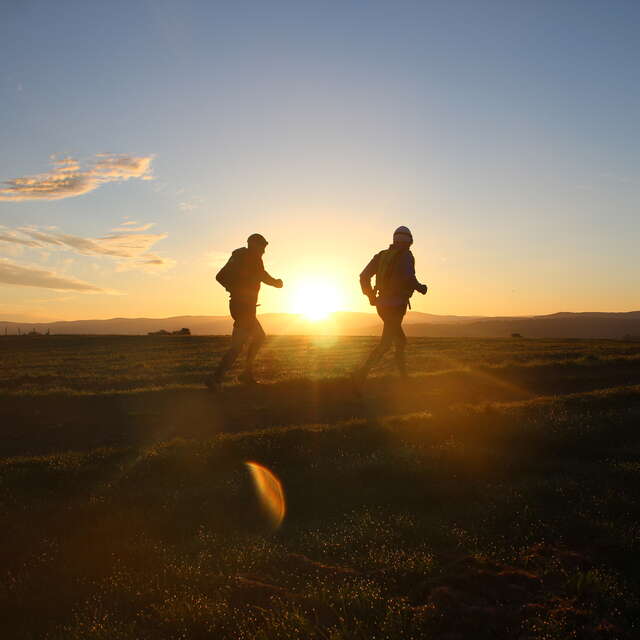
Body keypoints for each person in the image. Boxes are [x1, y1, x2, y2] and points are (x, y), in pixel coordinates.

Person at [207, 233, 283, 389]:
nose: (264, 250)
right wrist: (276, 283)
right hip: (243, 308)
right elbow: (262, 275)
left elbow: (221, 276)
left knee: (254, 339)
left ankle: (241, 374)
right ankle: (217, 379)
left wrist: (234, 289)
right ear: (254, 245)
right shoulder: (249, 257)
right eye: (262, 246)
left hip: (242, 306)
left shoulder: (242, 257)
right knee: (240, 345)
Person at [354, 226, 427, 383]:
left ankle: (402, 378)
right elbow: (409, 278)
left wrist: (371, 296)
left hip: (381, 305)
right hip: (397, 305)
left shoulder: (381, 255)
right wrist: (421, 288)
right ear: (409, 241)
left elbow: (363, 276)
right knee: (387, 343)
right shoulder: (406, 255)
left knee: (400, 340)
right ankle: (361, 375)